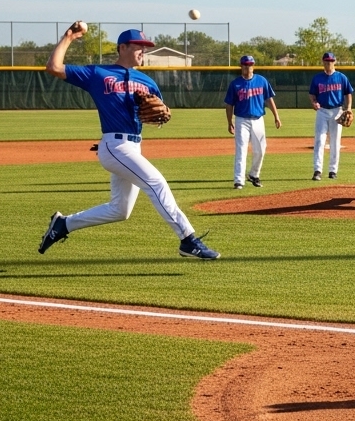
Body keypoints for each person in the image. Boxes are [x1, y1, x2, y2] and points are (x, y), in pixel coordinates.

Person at [36, 22, 219, 260]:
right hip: (115, 145)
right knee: (157, 183)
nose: (143, 51)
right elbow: (54, 67)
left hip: (134, 146)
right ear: (122, 48)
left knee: (120, 210)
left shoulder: (147, 82)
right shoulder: (98, 74)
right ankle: (188, 239)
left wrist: (162, 113)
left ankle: (63, 224)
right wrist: (69, 37)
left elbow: (158, 115)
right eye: (138, 46)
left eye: (145, 47)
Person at [224, 55, 281, 189]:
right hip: (241, 120)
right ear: (241, 66)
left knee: (260, 150)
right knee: (241, 150)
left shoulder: (261, 81)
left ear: (253, 66)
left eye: (249, 64)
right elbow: (229, 105)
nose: (247, 67)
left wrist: (276, 116)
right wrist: (229, 121)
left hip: (258, 120)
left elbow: (269, 99)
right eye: (245, 64)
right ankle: (239, 180)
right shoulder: (235, 84)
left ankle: (254, 174)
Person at [308, 52, 354, 181]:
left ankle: (333, 170)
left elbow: (348, 93)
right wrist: (314, 102)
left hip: (337, 111)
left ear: (334, 62)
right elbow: (312, 94)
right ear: (323, 62)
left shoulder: (341, 77)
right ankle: (317, 170)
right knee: (319, 140)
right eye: (327, 61)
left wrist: (349, 108)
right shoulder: (317, 78)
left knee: (335, 142)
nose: (329, 63)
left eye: (331, 61)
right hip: (322, 111)